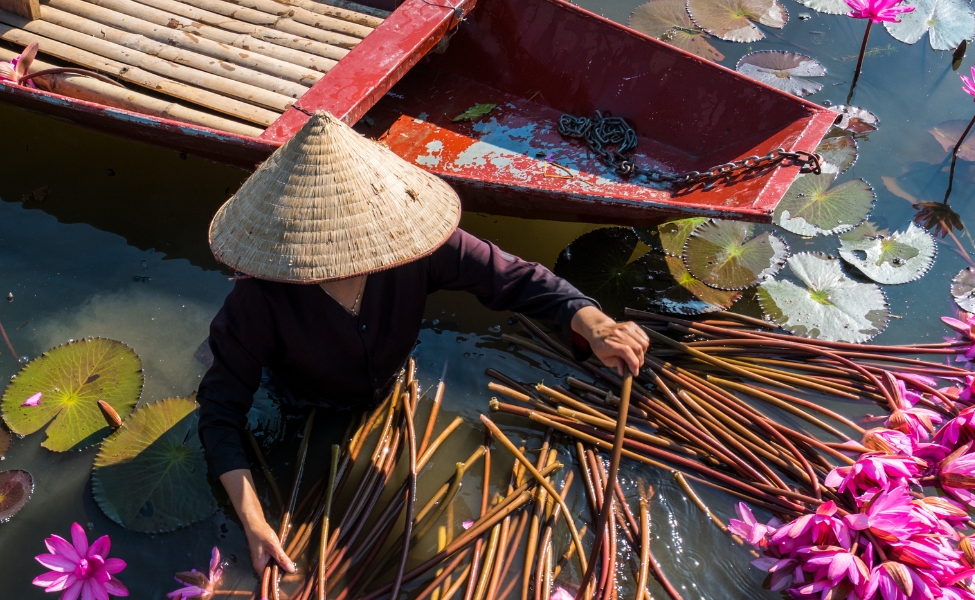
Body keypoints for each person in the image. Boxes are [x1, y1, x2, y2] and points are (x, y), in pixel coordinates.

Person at [195, 112, 650, 577]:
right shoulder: (260, 298)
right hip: (300, 399)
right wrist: (254, 521)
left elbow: (515, 277)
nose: (347, 259)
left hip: (385, 384)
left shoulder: (412, 246)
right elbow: (218, 414)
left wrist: (593, 323)